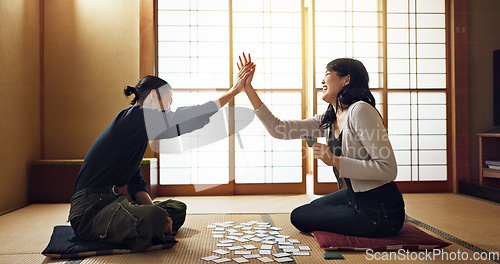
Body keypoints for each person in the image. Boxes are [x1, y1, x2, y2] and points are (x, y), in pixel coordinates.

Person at [68, 62, 255, 250]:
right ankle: (149, 227)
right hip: (90, 212)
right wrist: (233, 92)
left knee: (176, 208)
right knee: (156, 218)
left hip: (114, 205)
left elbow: (136, 184)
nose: (169, 108)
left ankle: (148, 227)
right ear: (153, 95)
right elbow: (182, 118)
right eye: (169, 101)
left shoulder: (138, 132)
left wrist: (155, 210)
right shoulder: (134, 117)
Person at [238, 53, 405, 238]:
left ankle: (386, 221)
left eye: (327, 73)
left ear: (346, 79)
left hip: (378, 212)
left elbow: (388, 169)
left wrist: (335, 160)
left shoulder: (360, 110)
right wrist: (248, 89)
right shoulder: (328, 118)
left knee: (299, 216)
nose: (322, 80)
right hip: (354, 197)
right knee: (311, 208)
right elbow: (278, 129)